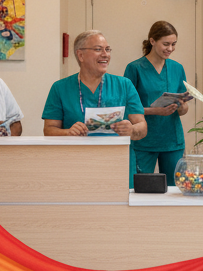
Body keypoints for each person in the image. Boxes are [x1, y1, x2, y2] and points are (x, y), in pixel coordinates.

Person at [42, 30, 147, 186]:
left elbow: (142, 127)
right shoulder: (60, 88)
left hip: (117, 166)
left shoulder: (124, 85)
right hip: (75, 168)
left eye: (108, 49)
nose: (105, 54)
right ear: (81, 55)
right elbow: (49, 130)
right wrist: (68, 132)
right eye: (98, 49)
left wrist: (132, 130)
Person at [123, 20, 190, 188]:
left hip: (172, 140)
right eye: (165, 44)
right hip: (144, 140)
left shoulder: (177, 68)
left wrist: (182, 105)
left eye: (174, 44)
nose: (170, 49)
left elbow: (183, 111)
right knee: (140, 189)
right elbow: (127, 108)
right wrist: (155, 111)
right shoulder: (135, 68)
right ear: (152, 41)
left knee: (176, 190)